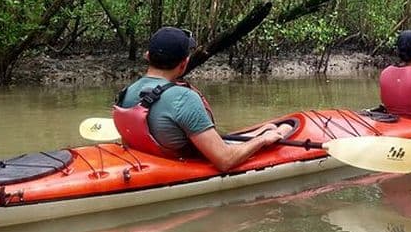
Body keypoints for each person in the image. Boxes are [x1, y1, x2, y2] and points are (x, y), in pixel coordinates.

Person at [113, 27, 289, 172]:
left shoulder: (127, 92)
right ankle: (264, 134)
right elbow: (225, 161)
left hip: (153, 159)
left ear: (148, 56)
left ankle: (261, 131)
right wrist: (262, 140)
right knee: (285, 129)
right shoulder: (184, 98)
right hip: (181, 166)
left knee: (271, 128)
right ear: (184, 63)